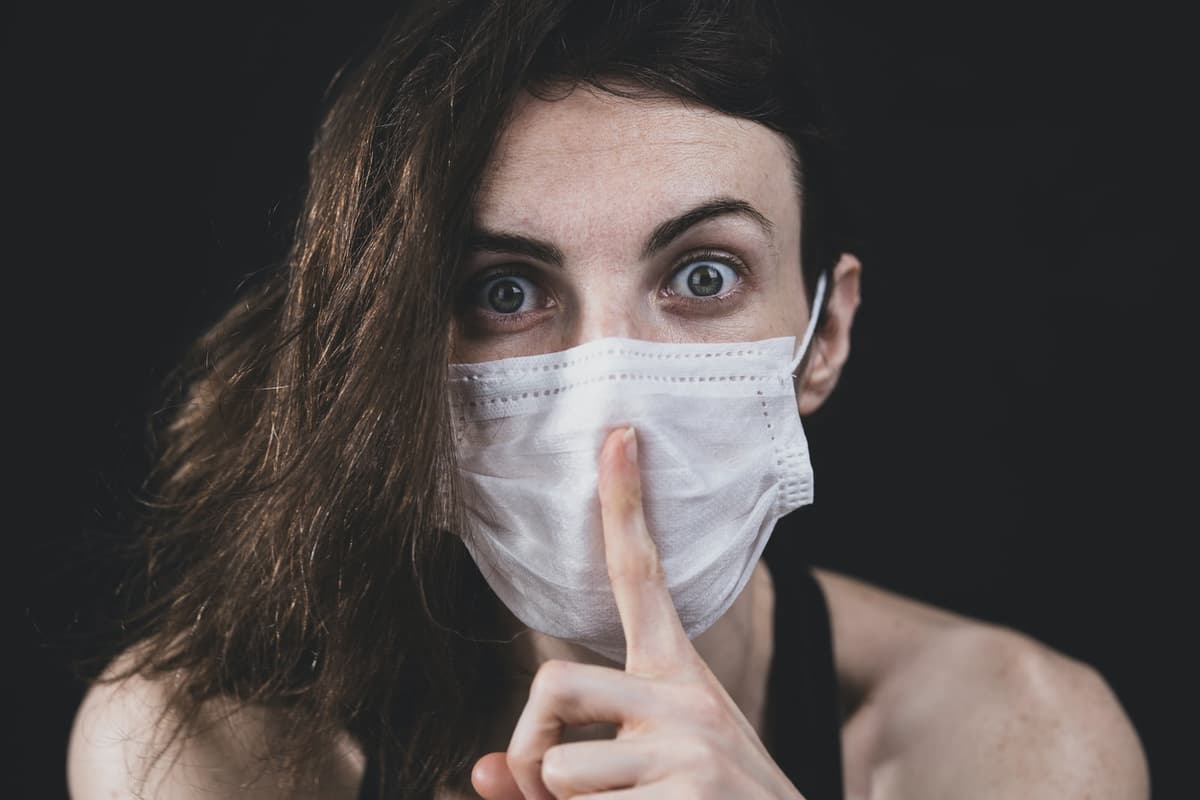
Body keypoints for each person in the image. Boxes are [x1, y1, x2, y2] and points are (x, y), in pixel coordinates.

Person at [66, 1, 1150, 798]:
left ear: (825, 336)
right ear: (395, 350)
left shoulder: (1011, 740)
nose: (609, 400)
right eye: (506, 290)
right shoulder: (208, 753)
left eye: (704, 275)